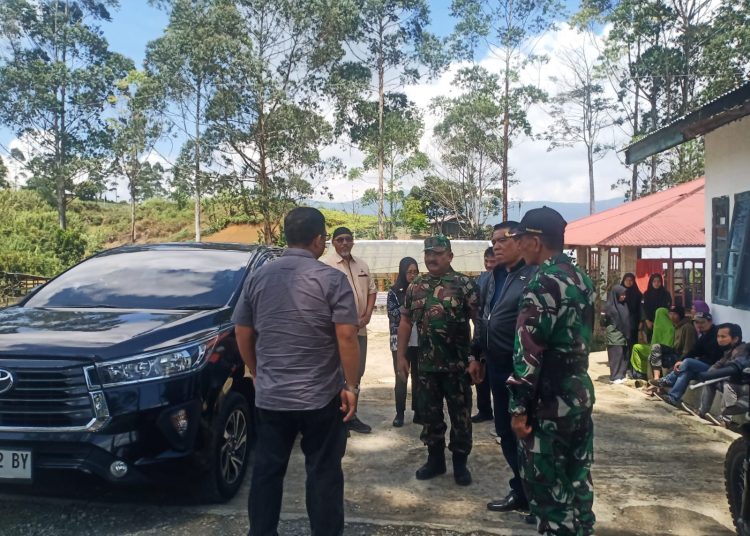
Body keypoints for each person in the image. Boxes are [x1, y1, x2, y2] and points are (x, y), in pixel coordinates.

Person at [232, 207, 361, 536]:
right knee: (323, 472)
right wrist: (351, 386)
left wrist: (257, 372)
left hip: (272, 397)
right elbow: (347, 335)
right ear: (319, 239)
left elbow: (242, 332)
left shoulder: (257, 278)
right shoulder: (332, 279)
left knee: (267, 470)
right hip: (321, 397)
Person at [506, 207, 596, 536]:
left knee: (546, 490)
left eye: (520, 239)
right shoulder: (580, 278)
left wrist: (518, 408)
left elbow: (527, 352)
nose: (517, 245)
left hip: (548, 402)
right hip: (578, 392)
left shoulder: (541, 284)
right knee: (577, 479)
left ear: (535, 241)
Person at [397, 235, 481, 486]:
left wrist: (476, 357)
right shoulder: (416, 286)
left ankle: (460, 464)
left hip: (457, 367)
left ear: (450, 256)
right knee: (430, 416)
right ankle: (435, 460)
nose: (431, 258)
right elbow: (405, 321)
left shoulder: (465, 284)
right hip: (426, 367)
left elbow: (480, 323)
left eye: (438, 253)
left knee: (461, 417)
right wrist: (401, 355)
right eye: (428, 253)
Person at [483, 221, 537, 514]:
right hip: (496, 364)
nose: (496, 246)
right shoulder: (494, 276)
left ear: (519, 241)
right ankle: (521, 490)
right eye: (493, 241)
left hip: (522, 368)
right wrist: (477, 354)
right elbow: (485, 315)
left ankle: (537, 497)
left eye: (502, 240)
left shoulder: (533, 276)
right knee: (504, 430)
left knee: (526, 432)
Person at [323, 226, 377, 434]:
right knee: (336, 373)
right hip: (335, 333)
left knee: (356, 373)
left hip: (359, 330)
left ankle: (351, 416)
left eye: (348, 239)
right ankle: (337, 419)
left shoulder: (362, 265)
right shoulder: (326, 266)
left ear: (353, 241)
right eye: (340, 240)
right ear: (333, 243)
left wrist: (368, 315)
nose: (344, 243)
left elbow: (372, 290)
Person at [651, 312, 724, 405]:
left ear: (710, 322)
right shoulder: (704, 335)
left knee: (688, 362)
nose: (699, 325)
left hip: (715, 368)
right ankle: (673, 397)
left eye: (702, 322)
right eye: (697, 323)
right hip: (704, 366)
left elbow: (713, 358)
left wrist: (689, 361)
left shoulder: (716, 335)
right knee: (686, 372)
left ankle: (667, 380)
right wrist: (681, 361)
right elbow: (694, 351)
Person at [387, 257, 421, 427]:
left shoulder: (422, 289)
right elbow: (393, 314)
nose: (412, 275)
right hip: (399, 340)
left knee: (419, 376)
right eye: (409, 272)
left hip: (418, 340)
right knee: (401, 376)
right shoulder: (394, 291)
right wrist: (410, 311)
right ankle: (399, 413)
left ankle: (418, 412)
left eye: (415, 272)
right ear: (402, 272)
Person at [698, 324, 747, 425]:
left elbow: (735, 371)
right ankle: (702, 412)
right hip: (733, 383)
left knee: (729, 384)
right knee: (710, 382)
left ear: (735, 339)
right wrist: (709, 375)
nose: (719, 339)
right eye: (718, 336)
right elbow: (718, 365)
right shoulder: (730, 351)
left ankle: (725, 420)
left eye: (723, 337)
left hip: (743, 388)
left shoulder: (742, 351)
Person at [472, 246, 497, 423]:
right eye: (486, 261)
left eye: (492, 262)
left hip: (498, 336)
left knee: (498, 378)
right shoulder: (480, 279)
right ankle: (484, 410)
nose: (489, 265)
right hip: (480, 331)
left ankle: (501, 414)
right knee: (480, 374)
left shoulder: (507, 280)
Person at [648, 305, 697, 377]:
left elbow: (688, 350)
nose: (672, 316)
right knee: (655, 350)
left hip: (681, 356)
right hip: (674, 352)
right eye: (670, 314)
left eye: (675, 314)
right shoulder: (676, 326)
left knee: (659, 357)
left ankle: (660, 382)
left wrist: (680, 362)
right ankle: (656, 379)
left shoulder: (687, 327)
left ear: (680, 315)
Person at [630, 307, 673, 380]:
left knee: (636, 348)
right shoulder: (668, 326)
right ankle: (641, 373)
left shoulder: (669, 328)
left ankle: (641, 372)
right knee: (636, 347)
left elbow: (667, 345)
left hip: (661, 351)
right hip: (656, 349)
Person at [601, 285, 631, 383]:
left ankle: (621, 375)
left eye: (624, 294)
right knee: (615, 355)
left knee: (623, 355)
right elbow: (603, 322)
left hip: (623, 334)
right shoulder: (609, 307)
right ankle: (614, 376)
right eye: (621, 295)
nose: (624, 297)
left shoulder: (624, 305)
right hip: (614, 334)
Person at [642, 273, 672, 341]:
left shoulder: (666, 294)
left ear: (661, 282)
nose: (656, 283)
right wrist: (647, 321)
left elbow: (667, 308)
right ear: (651, 282)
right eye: (654, 281)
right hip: (650, 323)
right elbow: (643, 308)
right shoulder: (646, 294)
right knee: (651, 342)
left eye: (658, 281)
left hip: (662, 323)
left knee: (661, 342)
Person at [621, 273, 642, 353]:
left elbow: (640, 308)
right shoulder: (619, 293)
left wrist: (641, 321)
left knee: (632, 342)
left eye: (631, 280)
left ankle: (632, 362)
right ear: (623, 281)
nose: (629, 282)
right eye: (627, 280)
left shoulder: (638, 294)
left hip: (633, 321)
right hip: (621, 322)